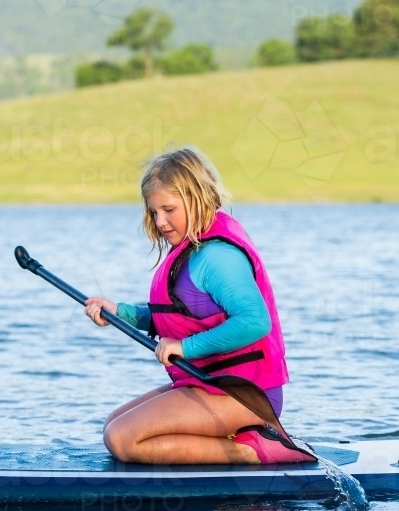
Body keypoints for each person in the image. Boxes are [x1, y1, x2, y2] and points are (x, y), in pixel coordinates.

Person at [84, 148, 315, 465]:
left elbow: (254, 322)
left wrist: (185, 347)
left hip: (246, 393)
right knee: (113, 423)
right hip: (212, 383)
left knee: (123, 439)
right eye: (154, 212)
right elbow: (179, 317)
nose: (160, 222)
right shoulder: (190, 250)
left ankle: (253, 450)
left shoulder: (217, 257)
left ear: (198, 199)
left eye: (169, 209)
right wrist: (120, 313)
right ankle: (234, 436)